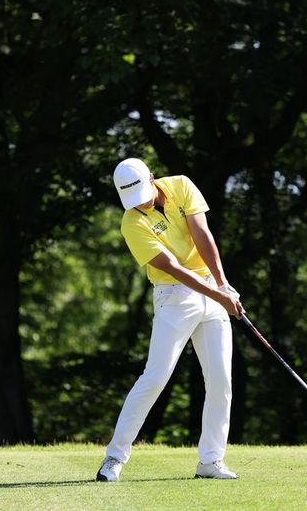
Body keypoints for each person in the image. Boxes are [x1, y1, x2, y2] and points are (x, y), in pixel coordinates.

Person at [96, 158, 245, 482]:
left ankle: (210, 461)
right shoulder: (131, 223)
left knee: (221, 382)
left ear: (152, 177)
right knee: (155, 377)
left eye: (144, 193)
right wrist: (220, 295)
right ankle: (114, 458)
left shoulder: (180, 185)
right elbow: (173, 267)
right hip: (173, 295)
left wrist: (221, 285)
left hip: (210, 284)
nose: (141, 203)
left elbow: (202, 234)